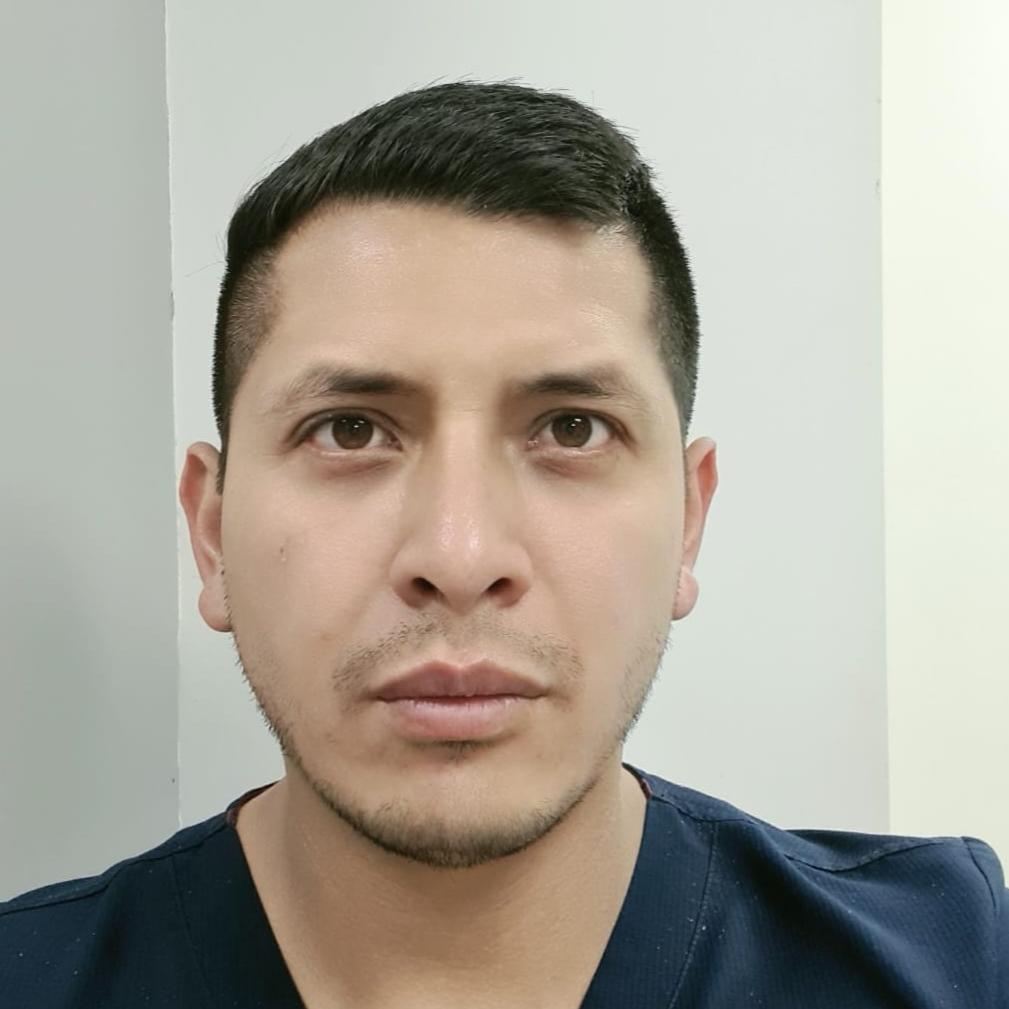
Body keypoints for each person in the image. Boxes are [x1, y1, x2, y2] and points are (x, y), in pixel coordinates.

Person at [1, 80, 1005, 1009]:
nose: (460, 553)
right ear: (212, 531)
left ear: (687, 522)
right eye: (348, 429)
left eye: (572, 427)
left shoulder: (952, 960)